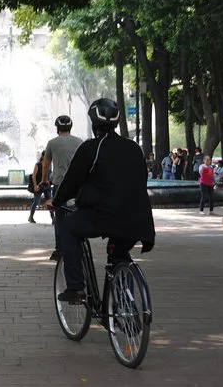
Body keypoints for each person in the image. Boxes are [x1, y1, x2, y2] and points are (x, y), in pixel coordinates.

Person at [45, 98, 155, 302]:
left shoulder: (91, 148)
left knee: (68, 228)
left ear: (93, 122)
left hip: (104, 216)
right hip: (138, 219)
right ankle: (125, 304)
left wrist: (56, 201)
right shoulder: (134, 148)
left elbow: (71, 182)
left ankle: (76, 287)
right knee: (119, 252)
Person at [40, 115, 83, 260]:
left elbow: (46, 164)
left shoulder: (52, 143)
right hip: (77, 186)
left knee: (59, 217)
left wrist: (44, 180)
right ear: (70, 128)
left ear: (57, 129)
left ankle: (59, 249)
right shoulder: (80, 142)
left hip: (59, 184)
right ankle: (79, 245)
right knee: (78, 214)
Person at [27, 150, 45, 223]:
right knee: (36, 201)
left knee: (49, 201)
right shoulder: (38, 165)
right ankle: (31, 216)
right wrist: (35, 186)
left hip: (46, 185)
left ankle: (53, 218)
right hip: (38, 185)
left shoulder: (49, 164)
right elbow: (33, 176)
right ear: (43, 156)